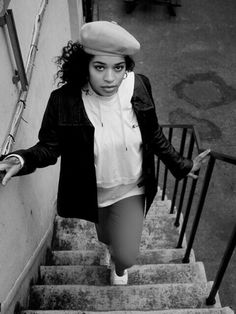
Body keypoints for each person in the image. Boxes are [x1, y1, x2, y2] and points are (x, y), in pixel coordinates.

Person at [0, 21, 210, 285]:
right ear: (85, 66)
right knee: (105, 235)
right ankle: (110, 244)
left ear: (126, 67)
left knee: (127, 254)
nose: (110, 78)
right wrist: (22, 159)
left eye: (118, 67)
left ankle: (119, 266)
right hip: (94, 193)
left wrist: (182, 164)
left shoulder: (139, 86)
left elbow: (153, 134)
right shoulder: (64, 101)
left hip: (132, 188)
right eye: (100, 67)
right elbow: (49, 147)